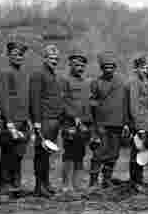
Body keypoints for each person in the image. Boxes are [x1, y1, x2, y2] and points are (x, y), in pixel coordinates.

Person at [0, 40, 31, 194]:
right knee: (8, 153)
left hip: (22, 120)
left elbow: (25, 98)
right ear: (9, 56)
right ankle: (4, 185)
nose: (18, 57)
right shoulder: (5, 73)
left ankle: (16, 183)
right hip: (10, 120)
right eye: (15, 54)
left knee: (19, 153)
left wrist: (27, 119)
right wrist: (8, 121)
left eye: (21, 55)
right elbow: (3, 98)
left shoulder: (24, 73)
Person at [29, 44, 64, 197]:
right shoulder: (38, 74)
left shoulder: (54, 75)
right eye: (51, 58)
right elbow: (35, 99)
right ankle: (39, 187)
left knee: (47, 154)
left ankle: (46, 183)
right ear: (44, 58)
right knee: (40, 154)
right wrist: (36, 121)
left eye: (56, 59)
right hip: (43, 120)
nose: (54, 61)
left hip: (54, 120)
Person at [89, 51, 128, 188]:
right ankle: (93, 181)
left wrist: (125, 123)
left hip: (118, 123)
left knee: (113, 153)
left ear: (115, 67)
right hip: (102, 123)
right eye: (106, 67)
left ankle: (107, 179)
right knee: (99, 152)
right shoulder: (96, 83)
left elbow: (125, 103)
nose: (109, 70)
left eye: (111, 67)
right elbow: (92, 105)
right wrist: (95, 125)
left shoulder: (122, 82)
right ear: (102, 68)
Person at [60, 49, 93, 193]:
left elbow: (88, 103)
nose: (79, 68)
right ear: (70, 66)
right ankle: (66, 184)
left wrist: (88, 121)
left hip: (84, 123)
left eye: (81, 66)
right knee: (69, 154)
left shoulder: (87, 82)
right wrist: (73, 117)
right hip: (70, 123)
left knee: (80, 154)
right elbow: (63, 102)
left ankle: (77, 183)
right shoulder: (65, 81)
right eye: (76, 65)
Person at [127, 53, 148, 191]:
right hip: (139, 123)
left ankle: (139, 179)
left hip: (147, 122)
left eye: (147, 68)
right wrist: (139, 126)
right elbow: (133, 105)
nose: (145, 70)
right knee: (137, 151)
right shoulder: (134, 83)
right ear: (136, 69)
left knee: (143, 153)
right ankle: (135, 181)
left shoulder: (147, 82)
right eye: (143, 68)